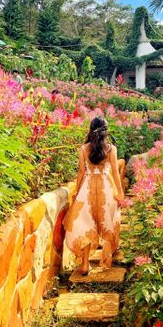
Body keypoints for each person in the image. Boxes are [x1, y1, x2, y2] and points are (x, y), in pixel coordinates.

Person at [63, 116, 124, 275]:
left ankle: (84, 265)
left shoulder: (83, 149)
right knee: (107, 221)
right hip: (106, 189)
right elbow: (116, 173)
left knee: (85, 225)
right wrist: (120, 192)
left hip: (87, 190)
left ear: (91, 129)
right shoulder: (111, 149)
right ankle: (106, 258)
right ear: (106, 130)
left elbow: (82, 172)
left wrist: (76, 191)